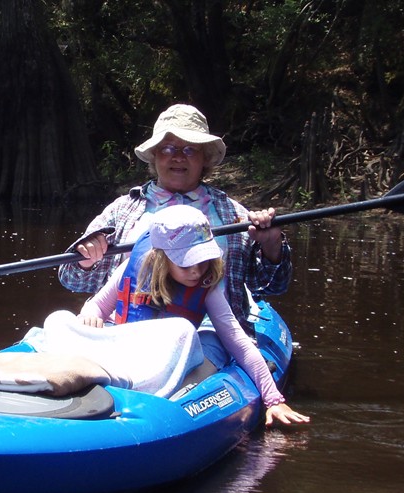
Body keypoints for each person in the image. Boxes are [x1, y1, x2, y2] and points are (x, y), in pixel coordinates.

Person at [58, 103, 292, 366]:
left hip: (206, 333)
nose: (178, 156)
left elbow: (271, 287)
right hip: (124, 326)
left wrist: (272, 246)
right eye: (167, 148)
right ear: (155, 156)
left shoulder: (233, 214)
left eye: (190, 149)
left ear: (204, 158)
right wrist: (84, 259)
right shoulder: (120, 211)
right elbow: (72, 280)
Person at [78, 205, 309, 427]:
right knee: (65, 320)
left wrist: (274, 400)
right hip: (134, 356)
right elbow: (96, 306)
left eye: (202, 259)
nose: (197, 271)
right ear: (161, 257)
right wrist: (90, 316)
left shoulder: (207, 287)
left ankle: (178, 396)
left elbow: (238, 342)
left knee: (215, 341)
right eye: (186, 263)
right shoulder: (133, 268)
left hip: (178, 360)